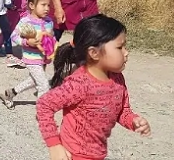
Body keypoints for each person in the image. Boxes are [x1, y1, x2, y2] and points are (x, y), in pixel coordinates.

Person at [36, 14, 151, 160]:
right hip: (73, 155)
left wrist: (134, 121)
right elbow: (44, 105)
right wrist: (54, 145)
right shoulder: (79, 84)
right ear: (94, 53)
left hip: (98, 154)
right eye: (120, 47)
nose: (126, 52)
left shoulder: (117, 79)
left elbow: (122, 111)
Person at [0, 0, 56, 109]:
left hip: (44, 59)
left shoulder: (49, 22)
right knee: (44, 85)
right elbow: (13, 36)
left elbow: (51, 38)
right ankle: (43, 112)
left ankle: (10, 93)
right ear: (31, 5)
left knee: (34, 80)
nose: (47, 8)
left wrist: (51, 50)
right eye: (43, 5)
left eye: (48, 5)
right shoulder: (26, 21)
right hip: (31, 59)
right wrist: (26, 42)